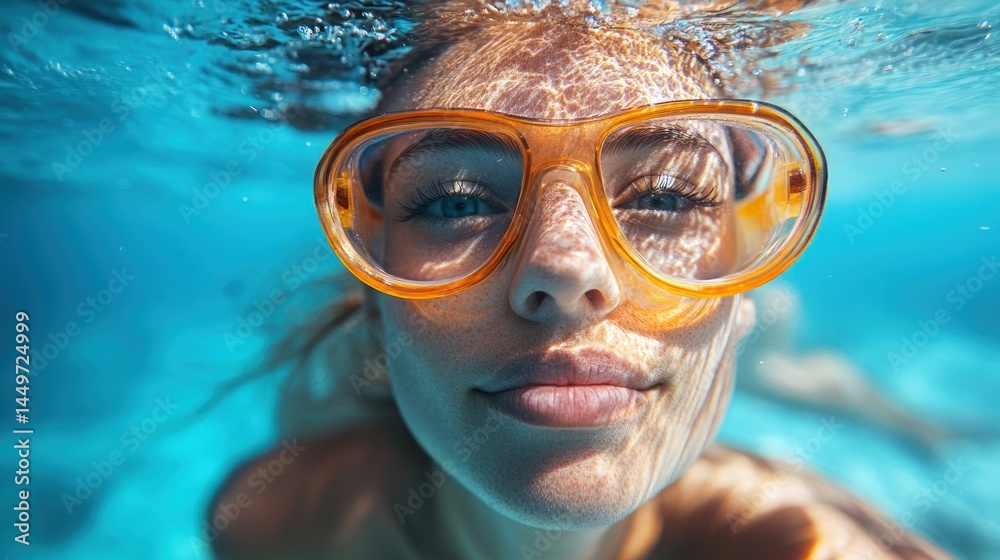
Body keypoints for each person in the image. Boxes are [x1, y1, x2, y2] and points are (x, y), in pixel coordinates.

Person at [207, 3, 952, 559]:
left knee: (785, 371)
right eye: (457, 202)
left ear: (739, 295)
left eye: (665, 196)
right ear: (374, 303)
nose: (566, 270)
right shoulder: (276, 521)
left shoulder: (806, 544)